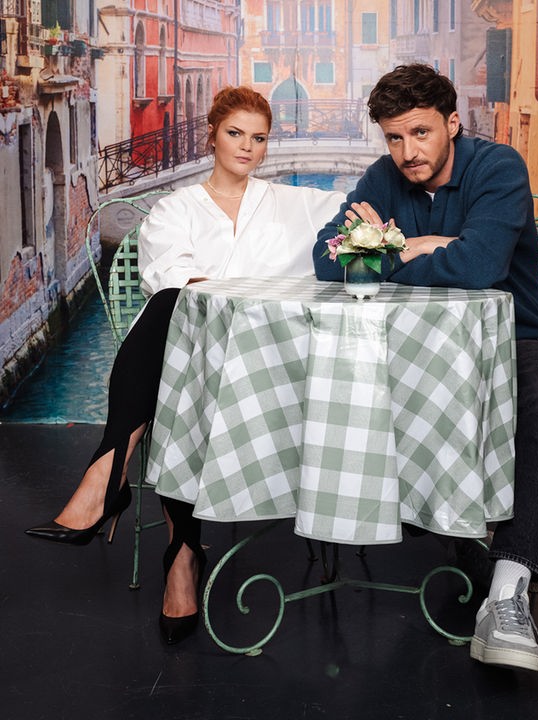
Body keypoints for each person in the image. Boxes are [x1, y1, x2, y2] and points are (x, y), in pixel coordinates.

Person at [26, 86, 345, 645]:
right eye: (235, 133)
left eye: (259, 138)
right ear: (212, 135)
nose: (247, 147)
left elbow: (367, 207)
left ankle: (109, 473)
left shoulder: (298, 204)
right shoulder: (175, 209)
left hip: (270, 362)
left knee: (174, 335)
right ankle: (181, 556)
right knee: (176, 329)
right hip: (192, 361)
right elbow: (170, 280)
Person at [313, 64, 538, 673]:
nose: (408, 152)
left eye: (421, 133)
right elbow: (327, 258)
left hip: (514, 337)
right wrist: (423, 247)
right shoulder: (383, 177)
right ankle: (454, 533)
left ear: (452, 123)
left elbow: (481, 266)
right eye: (394, 137)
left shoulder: (499, 168)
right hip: (413, 347)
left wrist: (383, 250)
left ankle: (507, 595)